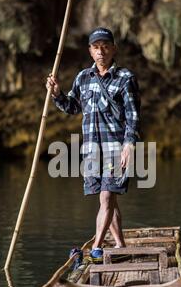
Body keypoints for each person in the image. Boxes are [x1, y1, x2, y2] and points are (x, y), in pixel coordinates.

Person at [46, 27, 140, 263]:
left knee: (107, 197)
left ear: (113, 49)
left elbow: (133, 115)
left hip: (116, 149)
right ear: (90, 51)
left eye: (105, 46)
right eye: (96, 47)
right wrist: (57, 94)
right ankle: (119, 244)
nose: (101, 51)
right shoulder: (82, 78)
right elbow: (72, 107)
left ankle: (96, 248)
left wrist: (130, 144)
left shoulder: (125, 78)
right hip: (91, 150)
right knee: (109, 199)